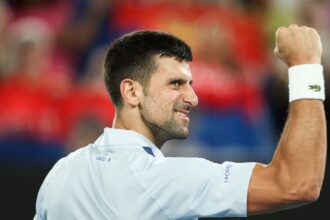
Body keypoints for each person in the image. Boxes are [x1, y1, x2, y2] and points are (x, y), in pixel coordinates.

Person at [34, 24, 327, 219]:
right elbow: (296, 183)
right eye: (176, 84)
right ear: (132, 91)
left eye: (190, 84)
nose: (193, 98)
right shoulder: (164, 180)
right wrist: (306, 65)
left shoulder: (61, 174)